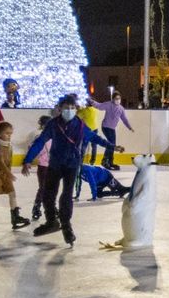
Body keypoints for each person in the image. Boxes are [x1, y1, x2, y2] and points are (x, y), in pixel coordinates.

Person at [22, 94, 120, 246]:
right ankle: (51, 221)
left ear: (76, 109)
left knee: (66, 195)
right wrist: (28, 159)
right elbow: (40, 141)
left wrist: (112, 146)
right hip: (55, 164)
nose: (69, 110)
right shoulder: (53, 124)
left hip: (72, 165)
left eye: (72, 108)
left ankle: (66, 227)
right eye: (66, 108)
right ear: (60, 109)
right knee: (48, 194)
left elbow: (95, 138)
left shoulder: (80, 125)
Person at [96, 88, 133, 170]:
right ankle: (105, 161)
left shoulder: (121, 108)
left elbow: (124, 119)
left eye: (119, 98)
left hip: (112, 128)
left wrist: (129, 127)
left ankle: (110, 161)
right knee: (111, 144)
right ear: (113, 99)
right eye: (116, 98)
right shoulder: (109, 104)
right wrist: (91, 102)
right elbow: (99, 106)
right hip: (105, 127)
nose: (118, 100)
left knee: (113, 144)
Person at [26, 114, 52, 222]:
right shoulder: (41, 138)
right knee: (43, 188)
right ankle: (37, 208)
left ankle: (49, 207)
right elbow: (34, 149)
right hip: (44, 167)